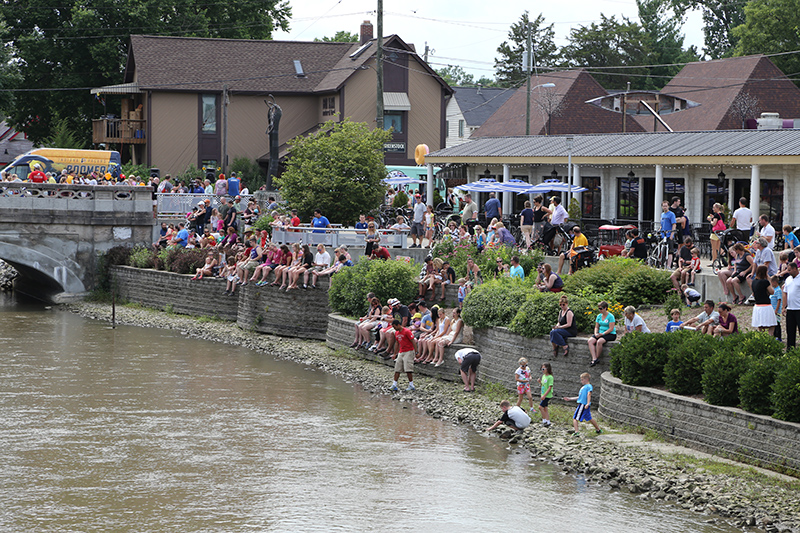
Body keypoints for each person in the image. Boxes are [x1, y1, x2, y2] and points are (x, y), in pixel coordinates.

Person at [389, 319, 418, 392]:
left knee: (408, 369)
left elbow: (413, 341)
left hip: (409, 351)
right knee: (397, 368)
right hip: (401, 352)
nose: (394, 328)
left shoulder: (407, 331)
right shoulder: (396, 333)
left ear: (398, 325)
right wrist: (395, 353)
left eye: (394, 326)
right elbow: (397, 343)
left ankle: (411, 385)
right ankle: (394, 385)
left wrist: (416, 352)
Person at [588, 301, 616, 366]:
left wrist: (603, 334)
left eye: (601, 308)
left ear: (605, 308)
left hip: (610, 333)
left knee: (599, 342)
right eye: (599, 308)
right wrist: (596, 333)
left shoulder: (610, 316)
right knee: (590, 341)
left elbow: (611, 328)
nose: (600, 310)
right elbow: (596, 327)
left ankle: (596, 358)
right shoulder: (599, 316)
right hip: (600, 333)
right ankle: (594, 358)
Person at [751, 265, 777, 335]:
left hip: (757, 305)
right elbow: (772, 292)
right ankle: (770, 338)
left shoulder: (754, 282)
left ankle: (762, 339)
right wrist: (769, 280)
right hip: (766, 305)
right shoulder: (765, 282)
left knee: (761, 325)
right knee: (771, 325)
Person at [785, 262, 800, 348]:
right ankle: (790, 349)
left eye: (790, 270)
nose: (788, 272)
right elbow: (785, 292)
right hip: (790, 308)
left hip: (799, 308)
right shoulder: (788, 279)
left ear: (795, 269)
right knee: (790, 330)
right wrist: (784, 306)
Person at [660, 200, 677, 268]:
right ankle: (662, 262)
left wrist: (672, 234)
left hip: (669, 234)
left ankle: (669, 265)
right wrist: (659, 230)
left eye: (666, 206)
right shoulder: (662, 214)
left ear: (668, 206)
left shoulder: (671, 214)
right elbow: (662, 224)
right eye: (663, 206)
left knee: (670, 250)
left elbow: (674, 224)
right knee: (662, 249)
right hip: (663, 234)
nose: (665, 207)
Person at [538, 363, 554, 427]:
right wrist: (540, 382)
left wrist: (544, 395)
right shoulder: (544, 376)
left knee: (540, 407)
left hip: (547, 395)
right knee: (545, 408)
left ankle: (544, 421)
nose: (542, 370)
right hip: (543, 394)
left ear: (547, 369)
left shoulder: (550, 377)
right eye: (541, 369)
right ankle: (548, 421)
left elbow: (550, 387)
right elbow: (543, 385)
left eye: (543, 369)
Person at [770, 275, 783, 341]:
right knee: (773, 323)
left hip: (776, 310)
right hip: (772, 309)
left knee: (777, 323)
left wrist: (776, 309)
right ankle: (774, 335)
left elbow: (779, 300)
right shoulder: (773, 290)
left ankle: (779, 337)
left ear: (775, 282)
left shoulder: (778, 290)